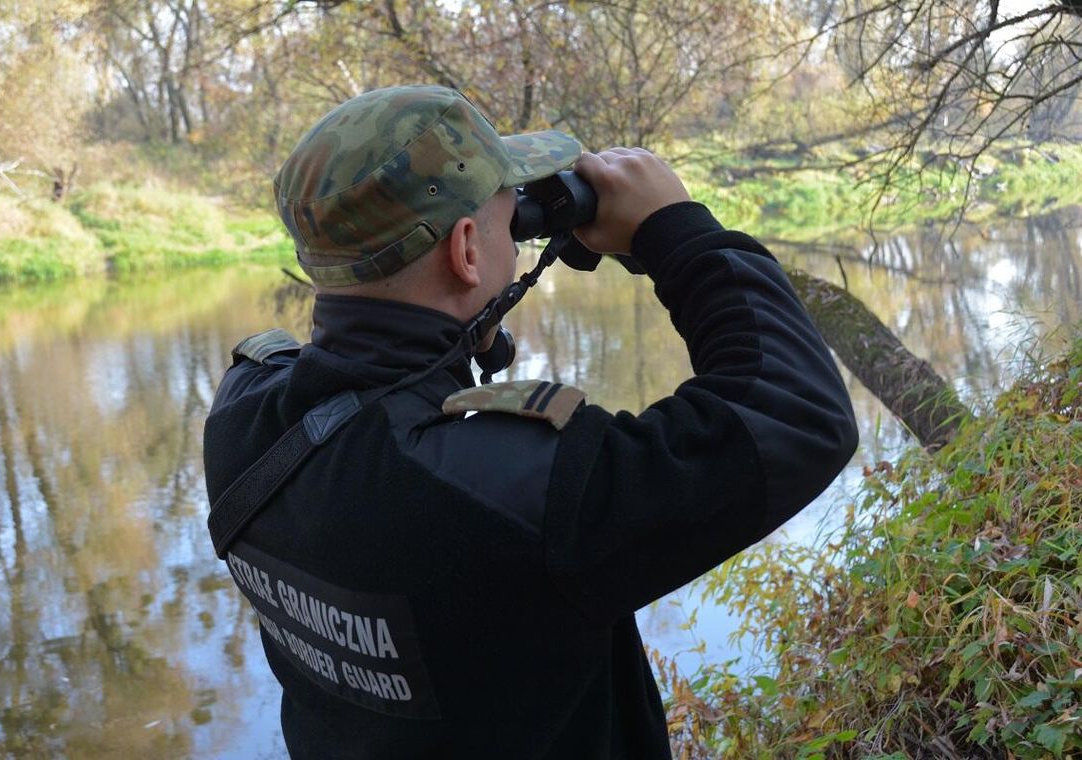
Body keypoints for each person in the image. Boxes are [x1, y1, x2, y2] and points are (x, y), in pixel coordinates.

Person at [202, 84, 858, 759]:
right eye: (506, 222)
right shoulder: (511, 493)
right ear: (465, 251)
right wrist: (675, 232)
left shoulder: (243, 413)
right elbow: (794, 412)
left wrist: (452, 339)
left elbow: (364, 403)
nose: (516, 244)